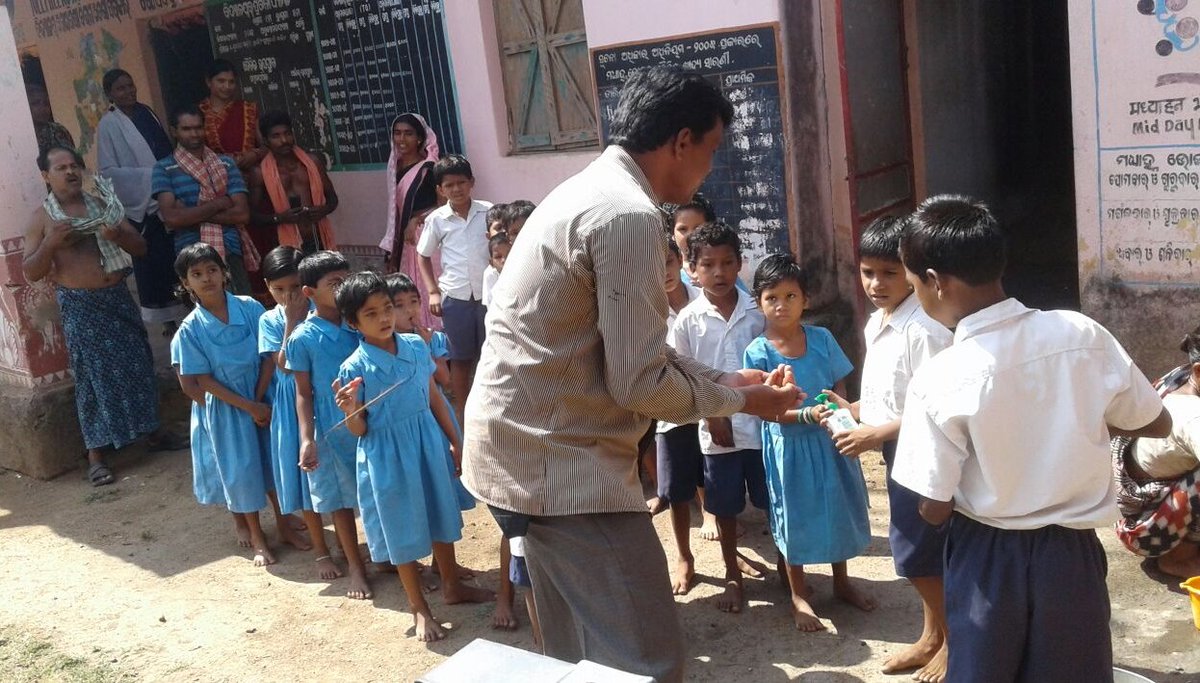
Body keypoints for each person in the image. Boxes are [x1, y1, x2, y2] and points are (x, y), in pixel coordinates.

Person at [461, 65, 800, 683]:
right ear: (681, 142)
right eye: (711, 151)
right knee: (642, 657)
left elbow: (638, 350)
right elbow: (640, 382)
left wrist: (730, 381)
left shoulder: (590, 188)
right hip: (559, 464)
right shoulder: (629, 216)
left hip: (526, 451)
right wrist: (743, 403)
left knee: (579, 650)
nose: (709, 169)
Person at [892, 195, 1171, 683]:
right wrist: (1080, 422)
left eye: (914, 286)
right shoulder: (1081, 334)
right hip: (1071, 554)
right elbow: (1157, 423)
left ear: (935, 282)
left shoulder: (941, 378)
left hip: (987, 555)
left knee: (985, 671)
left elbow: (933, 506)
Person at [821, 215, 953, 678]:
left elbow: (938, 405)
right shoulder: (880, 320)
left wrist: (876, 433)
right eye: (867, 272)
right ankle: (931, 636)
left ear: (914, 272)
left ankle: (952, 642)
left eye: (889, 273)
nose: (876, 283)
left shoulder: (927, 329)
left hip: (928, 455)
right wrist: (852, 408)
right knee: (918, 553)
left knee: (920, 554)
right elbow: (891, 395)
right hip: (898, 451)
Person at [333, 272, 494, 641]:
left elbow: (434, 396)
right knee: (401, 528)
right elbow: (359, 430)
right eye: (370, 313)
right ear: (354, 322)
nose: (384, 318)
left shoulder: (416, 347)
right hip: (387, 456)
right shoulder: (354, 368)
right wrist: (349, 411)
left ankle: (452, 585)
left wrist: (455, 439)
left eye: (387, 308)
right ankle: (419, 608)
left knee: (440, 512)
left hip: (426, 442)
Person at [23, 146, 185, 486]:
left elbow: (140, 248)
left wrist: (118, 234)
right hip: (81, 305)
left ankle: (153, 433)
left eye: (74, 166)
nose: (70, 172)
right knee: (92, 377)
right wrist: (51, 243)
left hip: (116, 296)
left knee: (138, 363)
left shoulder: (103, 205)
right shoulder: (42, 219)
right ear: (45, 176)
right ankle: (96, 456)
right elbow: (31, 271)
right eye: (61, 167)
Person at [743, 253, 877, 632]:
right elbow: (764, 408)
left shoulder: (822, 338)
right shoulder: (758, 352)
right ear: (759, 302)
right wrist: (804, 415)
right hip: (790, 450)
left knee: (836, 509)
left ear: (805, 300)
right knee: (794, 516)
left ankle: (841, 581)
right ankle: (799, 594)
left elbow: (839, 384)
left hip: (830, 442)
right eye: (772, 298)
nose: (781, 305)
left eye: (790, 296)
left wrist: (838, 414)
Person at [671, 222, 768, 613]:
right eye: (708, 265)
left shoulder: (757, 313)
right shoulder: (687, 321)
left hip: (762, 430)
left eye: (728, 262)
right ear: (690, 269)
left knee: (771, 502)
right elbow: (681, 375)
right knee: (724, 508)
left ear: (741, 264)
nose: (719, 272)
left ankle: (787, 570)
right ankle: (732, 573)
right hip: (717, 435)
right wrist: (711, 415)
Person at [173, 243, 276, 567]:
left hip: (262, 395)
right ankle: (257, 537)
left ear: (225, 273)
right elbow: (201, 382)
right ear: (186, 283)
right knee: (240, 471)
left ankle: (285, 523)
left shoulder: (249, 308)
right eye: (197, 274)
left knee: (273, 462)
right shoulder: (190, 330)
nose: (207, 279)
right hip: (226, 408)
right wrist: (246, 407)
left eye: (212, 270)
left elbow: (267, 357)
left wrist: (259, 400)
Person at [286, 251, 370, 598]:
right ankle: (355, 567)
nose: (342, 288)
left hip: (367, 419)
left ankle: (390, 558)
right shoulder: (302, 338)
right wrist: (307, 438)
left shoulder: (360, 323)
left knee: (376, 491)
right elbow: (303, 393)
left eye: (345, 280)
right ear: (309, 292)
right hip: (331, 429)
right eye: (334, 283)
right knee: (340, 502)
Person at [258, 246, 333, 568]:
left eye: (294, 287)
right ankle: (322, 552)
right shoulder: (270, 320)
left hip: (327, 402)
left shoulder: (324, 310)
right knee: (308, 483)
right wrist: (291, 321)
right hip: (292, 408)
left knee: (341, 476)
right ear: (267, 287)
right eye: (278, 289)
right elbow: (284, 366)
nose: (288, 296)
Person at [96, 68, 184, 329]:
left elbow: (164, 148)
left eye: (130, 85)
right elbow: (108, 172)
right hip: (142, 203)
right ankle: (167, 318)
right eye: (121, 88)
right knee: (153, 260)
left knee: (174, 256)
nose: (128, 91)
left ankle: (183, 306)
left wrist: (169, 174)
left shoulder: (147, 113)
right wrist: (152, 176)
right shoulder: (108, 125)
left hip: (166, 193)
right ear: (110, 94)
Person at [1113, 328, 1200, 579]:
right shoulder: (1192, 416)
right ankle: (1178, 559)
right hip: (1146, 529)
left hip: (1141, 505)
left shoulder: (1182, 376)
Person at [416, 154, 492, 421]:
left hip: (488, 297)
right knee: (460, 359)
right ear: (440, 189)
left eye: (461, 182)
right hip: (455, 297)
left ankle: (490, 409)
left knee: (490, 355)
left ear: (471, 182)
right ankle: (462, 411)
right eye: (449, 185)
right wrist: (433, 291)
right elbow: (423, 255)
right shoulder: (437, 220)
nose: (456, 189)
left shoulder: (488, 212)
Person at [152, 105, 259, 295]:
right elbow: (172, 219)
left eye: (198, 128)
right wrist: (219, 203)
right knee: (205, 316)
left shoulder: (225, 163)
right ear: (174, 131)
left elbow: (242, 214)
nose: (194, 134)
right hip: (190, 254)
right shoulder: (163, 168)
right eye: (186, 129)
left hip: (230, 250)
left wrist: (191, 214)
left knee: (241, 310)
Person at [648, 238, 704, 589]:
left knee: (710, 477)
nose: (663, 271)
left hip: (713, 404)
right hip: (672, 412)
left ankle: (727, 545)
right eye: (654, 263)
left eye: (668, 260)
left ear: (681, 260)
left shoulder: (704, 301)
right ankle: (684, 556)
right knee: (677, 489)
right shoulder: (645, 310)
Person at [381, 113, 442, 331]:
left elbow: (444, 205)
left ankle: (435, 338)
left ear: (420, 137)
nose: (402, 139)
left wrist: (416, 219)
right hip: (404, 240)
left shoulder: (429, 167)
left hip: (425, 236)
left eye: (408, 133)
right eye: (397, 133)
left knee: (427, 289)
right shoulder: (394, 167)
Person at [248, 110, 338, 255]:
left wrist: (324, 210)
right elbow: (251, 216)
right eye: (276, 136)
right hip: (285, 246)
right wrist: (279, 218)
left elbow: (333, 199)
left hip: (318, 239)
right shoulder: (259, 173)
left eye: (287, 133)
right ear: (265, 141)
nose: (284, 140)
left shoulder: (312, 163)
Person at [198, 60, 265, 173]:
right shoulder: (198, 112)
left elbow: (266, 146)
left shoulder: (248, 109)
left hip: (250, 174)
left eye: (231, 82)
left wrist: (254, 155)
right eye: (221, 81)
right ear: (209, 82)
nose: (227, 87)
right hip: (212, 174)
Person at [26, 82, 75, 155]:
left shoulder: (58, 131)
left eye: (46, 103)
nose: (42, 108)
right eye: (35, 103)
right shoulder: (20, 134)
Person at [480, 233, 509, 308]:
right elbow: (490, 306)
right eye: (498, 257)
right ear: (491, 262)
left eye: (509, 254)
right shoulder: (490, 275)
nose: (504, 260)